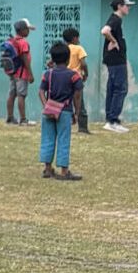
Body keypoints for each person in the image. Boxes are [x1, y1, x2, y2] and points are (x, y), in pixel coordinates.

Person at [37, 43, 82, 182]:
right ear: (68, 58)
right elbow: (77, 95)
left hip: (49, 111)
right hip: (65, 111)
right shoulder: (74, 76)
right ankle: (64, 171)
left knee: (47, 138)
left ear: (53, 58)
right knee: (63, 139)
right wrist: (77, 112)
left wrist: (47, 106)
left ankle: (47, 168)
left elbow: (40, 92)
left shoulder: (47, 74)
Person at [100, 0, 132, 132]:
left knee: (112, 89)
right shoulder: (115, 19)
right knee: (120, 89)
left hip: (113, 60)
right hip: (116, 60)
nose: (128, 8)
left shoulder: (116, 20)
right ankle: (113, 120)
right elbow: (105, 31)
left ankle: (110, 119)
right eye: (126, 5)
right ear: (119, 6)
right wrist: (114, 41)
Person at [57, 27, 90, 135]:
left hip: (64, 78)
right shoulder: (79, 48)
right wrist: (86, 74)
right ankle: (83, 128)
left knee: (63, 101)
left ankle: (60, 123)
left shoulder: (63, 48)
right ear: (75, 38)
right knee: (79, 102)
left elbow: (53, 62)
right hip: (76, 78)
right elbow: (83, 64)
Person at [2, 19, 35, 126]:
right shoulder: (23, 43)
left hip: (13, 72)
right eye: (27, 29)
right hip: (22, 73)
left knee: (12, 94)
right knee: (21, 95)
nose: (28, 32)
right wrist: (30, 74)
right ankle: (23, 119)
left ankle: (10, 118)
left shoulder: (12, 41)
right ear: (22, 30)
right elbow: (25, 58)